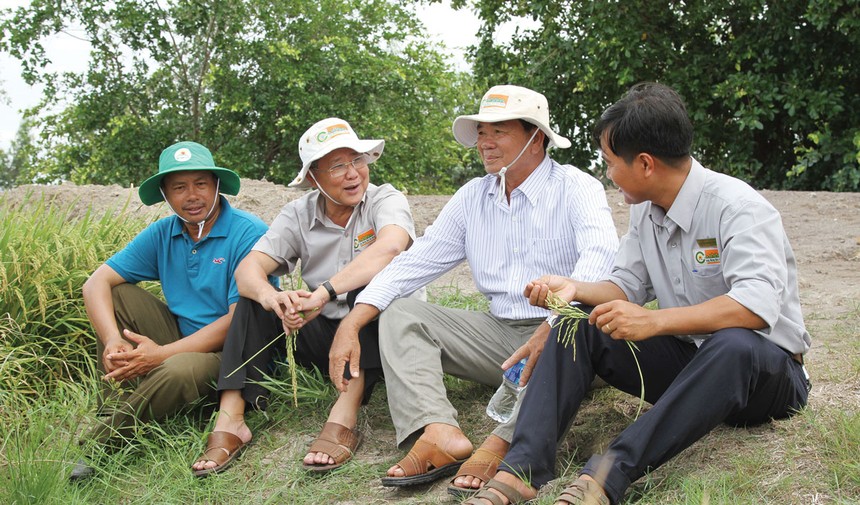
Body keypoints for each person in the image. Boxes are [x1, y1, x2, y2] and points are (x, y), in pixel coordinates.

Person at [463, 82, 812, 505]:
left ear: (645, 163)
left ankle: (610, 473)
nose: (607, 173)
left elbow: (755, 308)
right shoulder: (647, 209)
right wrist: (574, 288)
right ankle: (523, 468)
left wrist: (654, 321)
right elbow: (624, 286)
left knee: (734, 343)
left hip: (765, 378)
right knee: (579, 321)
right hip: (691, 367)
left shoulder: (737, 207)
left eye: (610, 163)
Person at [329, 85, 619, 492]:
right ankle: (438, 431)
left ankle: (506, 440)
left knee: (578, 318)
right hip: (500, 334)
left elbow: (600, 261)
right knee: (400, 311)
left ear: (535, 137)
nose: (484, 143)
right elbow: (416, 261)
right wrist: (352, 323)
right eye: (481, 132)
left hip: (570, 337)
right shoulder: (473, 197)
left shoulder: (577, 188)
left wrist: (551, 325)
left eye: (497, 131)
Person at [190, 118, 419, 476]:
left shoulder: (384, 199)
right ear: (313, 177)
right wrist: (274, 299)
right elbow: (247, 270)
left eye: (357, 160)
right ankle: (231, 417)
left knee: (368, 279)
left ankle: (345, 411)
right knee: (254, 296)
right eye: (338, 166)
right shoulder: (298, 214)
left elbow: (390, 248)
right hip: (325, 334)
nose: (353, 173)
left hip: (387, 333)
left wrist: (325, 291)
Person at [70, 141, 270, 481]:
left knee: (177, 369)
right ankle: (117, 402)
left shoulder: (247, 231)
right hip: (181, 334)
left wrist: (160, 355)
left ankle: (101, 444)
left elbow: (241, 320)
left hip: (234, 355)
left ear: (216, 185)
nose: (192, 195)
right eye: (179, 187)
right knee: (117, 292)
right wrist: (111, 340)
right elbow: (95, 283)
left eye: (200, 184)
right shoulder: (164, 232)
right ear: (165, 193)